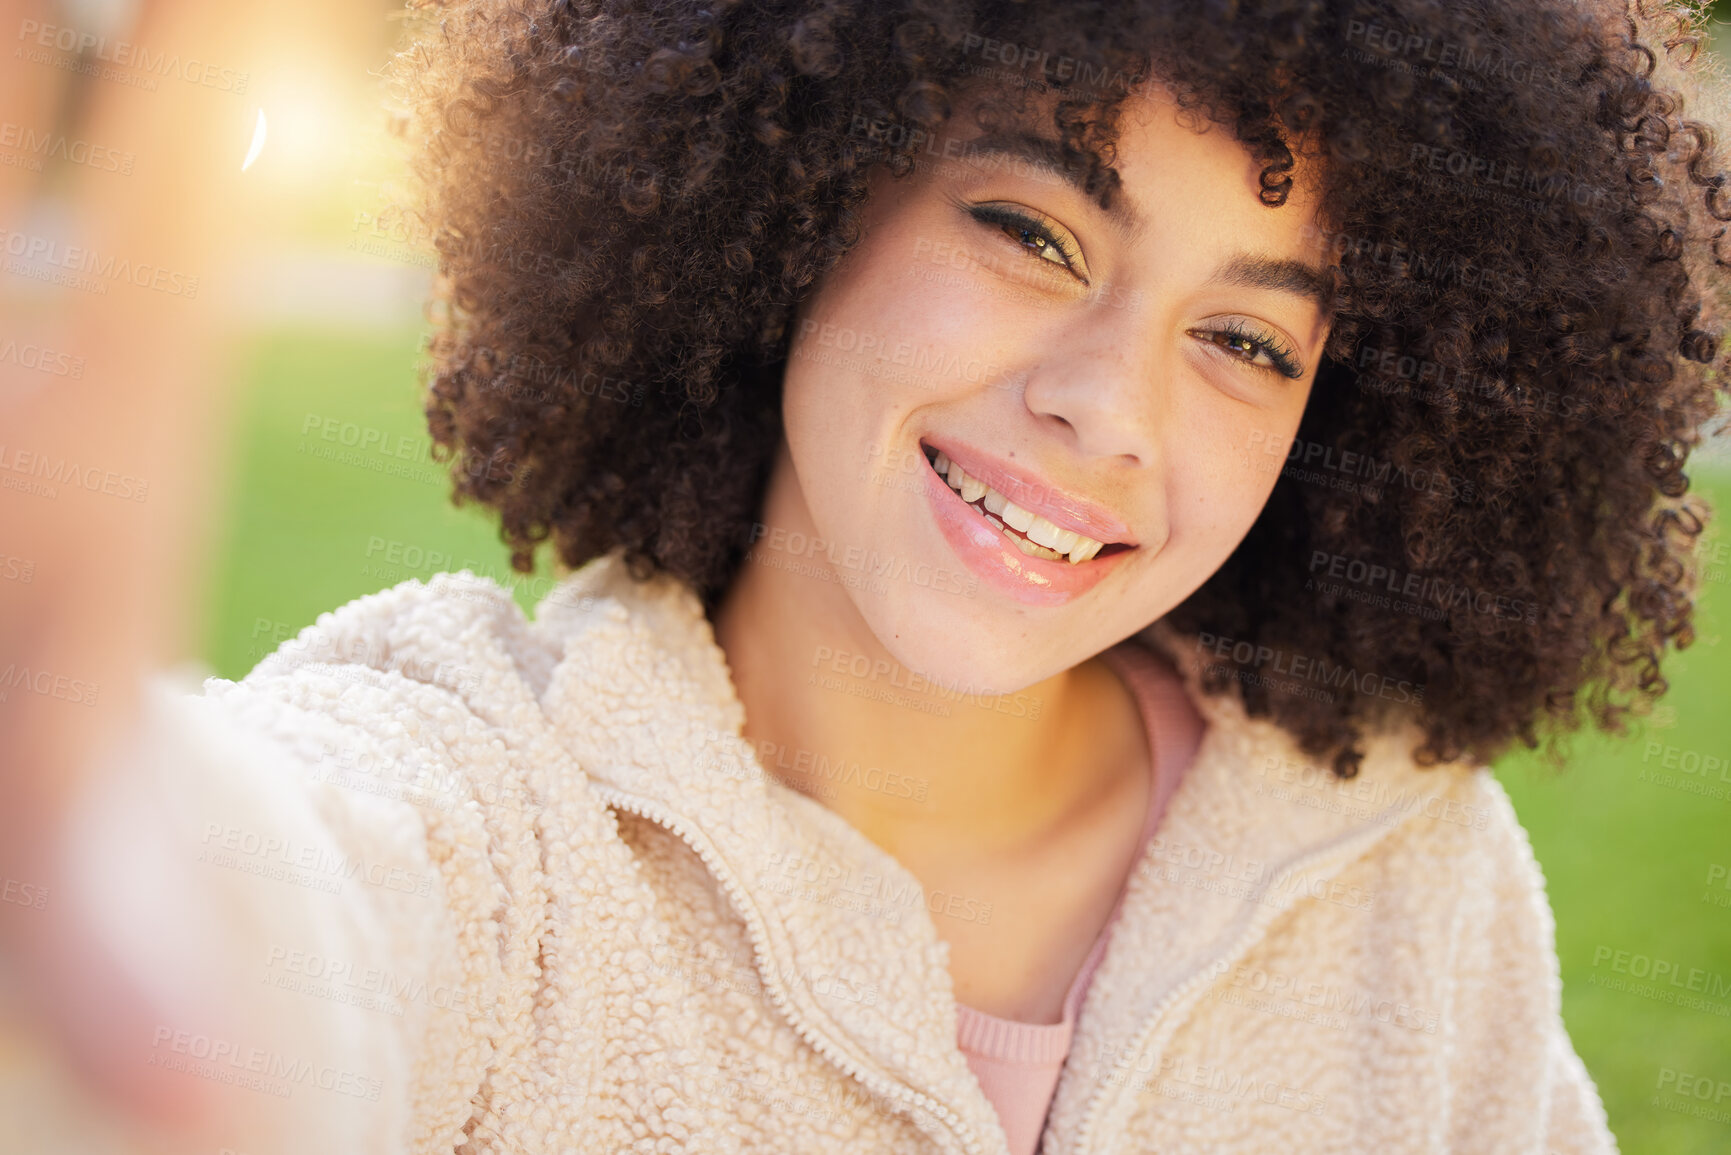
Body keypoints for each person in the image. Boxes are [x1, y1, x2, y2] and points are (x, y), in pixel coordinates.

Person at [4, 0, 1726, 1151]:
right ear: (805, 199)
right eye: (1034, 232)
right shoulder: (494, 824)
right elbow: (266, 914)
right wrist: (88, 846)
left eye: (1245, 339)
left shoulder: (1393, 868)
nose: (1106, 409)